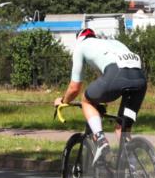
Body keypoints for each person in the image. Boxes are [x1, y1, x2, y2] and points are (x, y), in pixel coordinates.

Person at [54, 28, 147, 164]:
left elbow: (74, 88)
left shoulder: (81, 46)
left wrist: (63, 101)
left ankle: (101, 141)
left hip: (116, 75)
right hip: (140, 80)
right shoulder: (113, 42)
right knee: (123, 130)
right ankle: (135, 173)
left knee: (87, 101)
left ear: (79, 39)